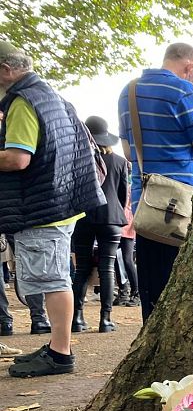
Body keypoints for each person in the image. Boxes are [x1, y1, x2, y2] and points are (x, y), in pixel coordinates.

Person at [0, 41, 105, 377]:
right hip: (61, 202)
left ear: (5, 70)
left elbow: (18, 157)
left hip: (40, 205)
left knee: (52, 279)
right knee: (54, 276)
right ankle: (58, 347)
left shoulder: (22, 101)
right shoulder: (53, 96)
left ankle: (60, 353)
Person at [117, 42, 193, 322]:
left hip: (146, 200)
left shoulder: (128, 91)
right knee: (181, 280)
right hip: (180, 200)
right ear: (189, 67)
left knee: (152, 281)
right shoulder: (183, 90)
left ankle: (150, 335)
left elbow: (129, 152)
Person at [71, 116, 128, 333]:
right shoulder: (121, 162)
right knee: (107, 268)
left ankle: (77, 318)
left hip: (84, 217)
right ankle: (105, 319)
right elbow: (123, 196)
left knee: (82, 269)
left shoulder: (79, 160)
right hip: (111, 218)